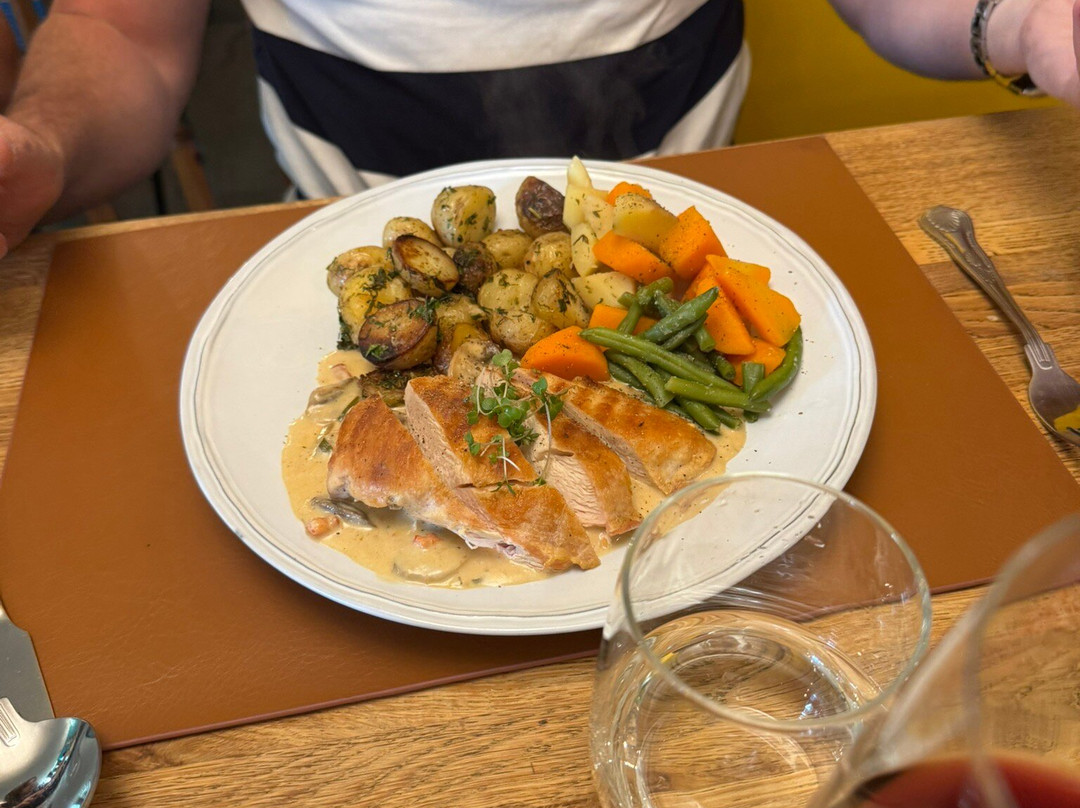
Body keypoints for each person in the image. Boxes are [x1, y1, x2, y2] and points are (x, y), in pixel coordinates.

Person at [0, 0, 1076, 259]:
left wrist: (1026, 20)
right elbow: (124, 33)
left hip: (692, 258)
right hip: (346, 263)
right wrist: (41, 147)